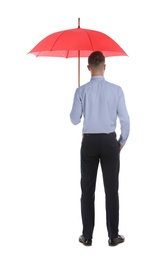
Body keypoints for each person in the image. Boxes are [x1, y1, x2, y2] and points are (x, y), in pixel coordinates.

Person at [70, 51, 130, 247]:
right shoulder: (116, 90)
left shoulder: (81, 91)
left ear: (88, 67)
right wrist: (120, 143)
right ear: (104, 66)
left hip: (89, 143)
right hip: (109, 142)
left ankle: (87, 236)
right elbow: (126, 121)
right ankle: (113, 236)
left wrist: (78, 96)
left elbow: (74, 120)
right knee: (112, 191)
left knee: (87, 191)